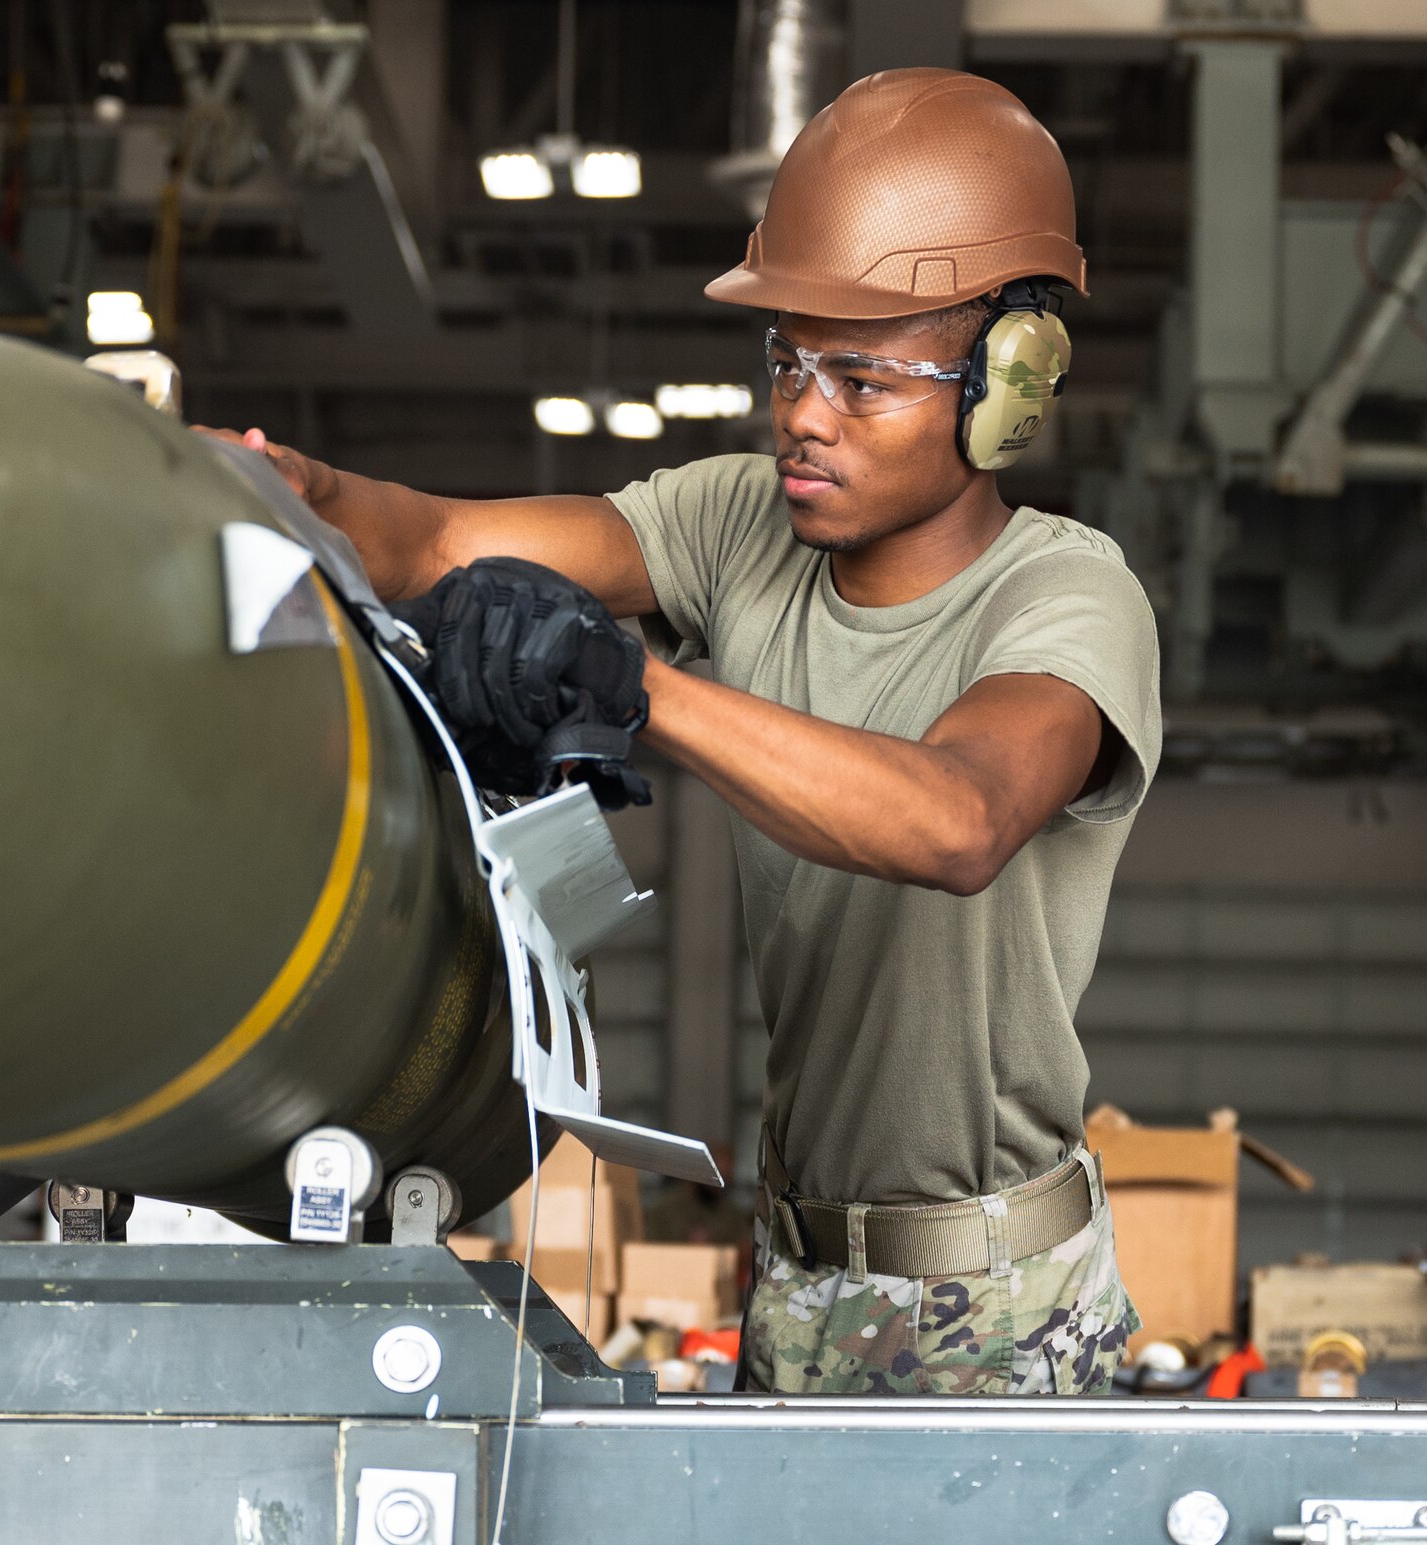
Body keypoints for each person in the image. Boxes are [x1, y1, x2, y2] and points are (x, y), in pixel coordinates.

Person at [200, 68, 1160, 1396]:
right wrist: (291, 490)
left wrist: (633, 684)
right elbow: (429, 538)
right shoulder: (739, 522)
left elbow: (958, 820)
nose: (803, 413)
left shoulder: (1068, 595)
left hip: (1000, 1301)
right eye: (788, 359)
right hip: (798, 1277)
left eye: (863, 378)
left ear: (1008, 384)